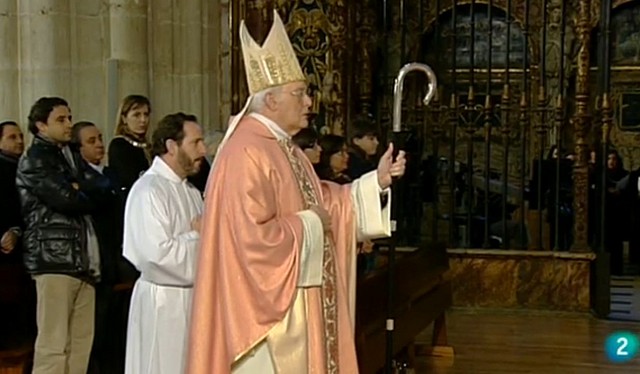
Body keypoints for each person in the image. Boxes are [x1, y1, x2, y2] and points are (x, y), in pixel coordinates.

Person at [186, 11, 406, 374]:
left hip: (297, 308)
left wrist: (375, 182)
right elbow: (250, 241)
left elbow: (324, 200)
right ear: (271, 100)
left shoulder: (281, 147)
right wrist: (309, 225)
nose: (309, 102)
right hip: (267, 326)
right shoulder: (246, 151)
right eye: (300, 93)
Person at [16, 97, 108, 374]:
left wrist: (82, 187)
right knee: (54, 346)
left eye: (69, 118)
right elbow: (67, 199)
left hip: (82, 258)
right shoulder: (35, 159)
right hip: (54, 258)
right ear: (41, 125)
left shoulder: (68, 156)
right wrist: (80, 189)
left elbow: (103, 186)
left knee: (81, 345)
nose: (69, 124)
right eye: (61, 119)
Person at [123, 112, 206, 374]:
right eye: (196, 143)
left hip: (194, 299)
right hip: (164, 302)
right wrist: (197, 236)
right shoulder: (149, 190)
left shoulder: (191, 191)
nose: (203, 150)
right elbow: (155, 257)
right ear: (172, 146)